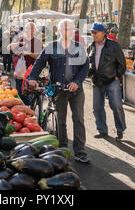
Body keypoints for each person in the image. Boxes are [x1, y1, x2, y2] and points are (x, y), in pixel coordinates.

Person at [28, 19, 90, 163]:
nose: (68, 31)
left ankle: (80, 151)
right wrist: (32, 77)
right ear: (59, 31)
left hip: (76, 90)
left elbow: (85, 67)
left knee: (78, 119)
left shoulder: (79, 47)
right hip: (58, 89)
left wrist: (77, 81)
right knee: (60, 120)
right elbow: (39, 63)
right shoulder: (51, 47)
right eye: (65, 28)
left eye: (71, 29)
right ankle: (63, 149)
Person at [87, 23, 127, 141]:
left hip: (111, 80)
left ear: (103, 33)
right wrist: (90, 74)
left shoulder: (113, 45)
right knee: (97, 108)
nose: (93, 35)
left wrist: (117, 77)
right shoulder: (91, 46)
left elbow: (122, 64)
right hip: (97, 81)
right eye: (91, 33)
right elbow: (88, 62)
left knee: (116, 106)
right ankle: (102, 130)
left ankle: (120, 130)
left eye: (95, 32)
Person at [8, 22, 42, 106]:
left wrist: (29, 53)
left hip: (31, 71)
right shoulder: (20, 39)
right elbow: (8, 47)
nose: (28, 30)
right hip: (19, 71)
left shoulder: (37, 41)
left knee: (28, 93)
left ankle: (28, 109)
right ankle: (21, 108)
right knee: (19, 91)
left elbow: (39, 56)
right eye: (26, 28)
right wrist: (19, 43)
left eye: (30, 28)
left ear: (34, 30)